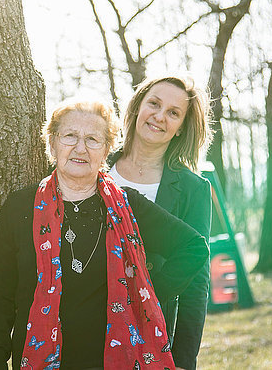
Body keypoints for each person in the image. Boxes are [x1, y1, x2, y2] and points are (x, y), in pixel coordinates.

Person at [0, 100, 209, 370]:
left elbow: (194, 247)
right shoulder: (21, 206)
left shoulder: (127, 206)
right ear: (52, 144)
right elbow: (0, 295)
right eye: (70, 136)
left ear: (105, 152)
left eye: (92, 139)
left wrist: (142, 293)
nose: (80, 148)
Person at [107, 75, 213, 370]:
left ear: (181, 129)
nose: (159, 116)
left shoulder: (194, 189)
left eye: (173, 113)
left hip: (152, 335)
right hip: (84, 331)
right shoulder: (95, 166)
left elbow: (197, 283)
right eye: (154, 103)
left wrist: (182, 360)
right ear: (138, 106)